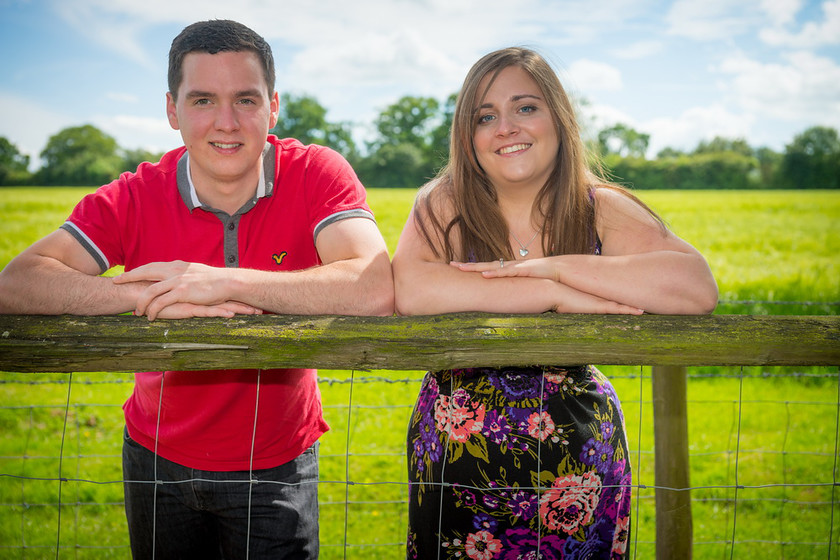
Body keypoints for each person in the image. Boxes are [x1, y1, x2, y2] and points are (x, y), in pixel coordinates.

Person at [0, 20, 394, 558]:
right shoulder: (136, 194)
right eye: (203, 99)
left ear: (273, 106)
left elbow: (373, 286)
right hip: (155, 455)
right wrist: (144, 294)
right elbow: (17, 283)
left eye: (246, 99)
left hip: (275, 463)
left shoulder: (315, 172)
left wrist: (221, 283)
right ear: (172, 109)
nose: (226, 122)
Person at [392, 47, 717, 559]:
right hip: (459, 460)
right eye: (485, 116)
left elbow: (694, 287)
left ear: (558, 119)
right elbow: (411, 291)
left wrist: (557, 265)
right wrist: (549, 295)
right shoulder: (445, 203)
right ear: (467, 135)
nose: (506, 127)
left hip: (579, 458)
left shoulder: (599, 207)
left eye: (525, 107)